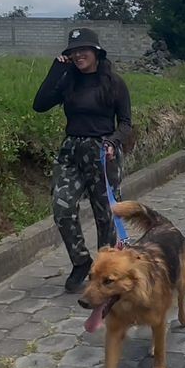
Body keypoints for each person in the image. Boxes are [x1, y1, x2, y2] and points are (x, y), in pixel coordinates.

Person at [32, 27, 133, 292]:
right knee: (62, 207)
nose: (78, 56)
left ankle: (107, 270)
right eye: (73, 52)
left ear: (96, 52)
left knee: (106, 214)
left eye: (83, 50)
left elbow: (125, 123)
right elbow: (39, 104)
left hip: (103, 151)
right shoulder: (68, 80)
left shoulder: (114, 82)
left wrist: (112, 141)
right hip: (71, 150)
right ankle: (80, 261)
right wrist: (56, 69)